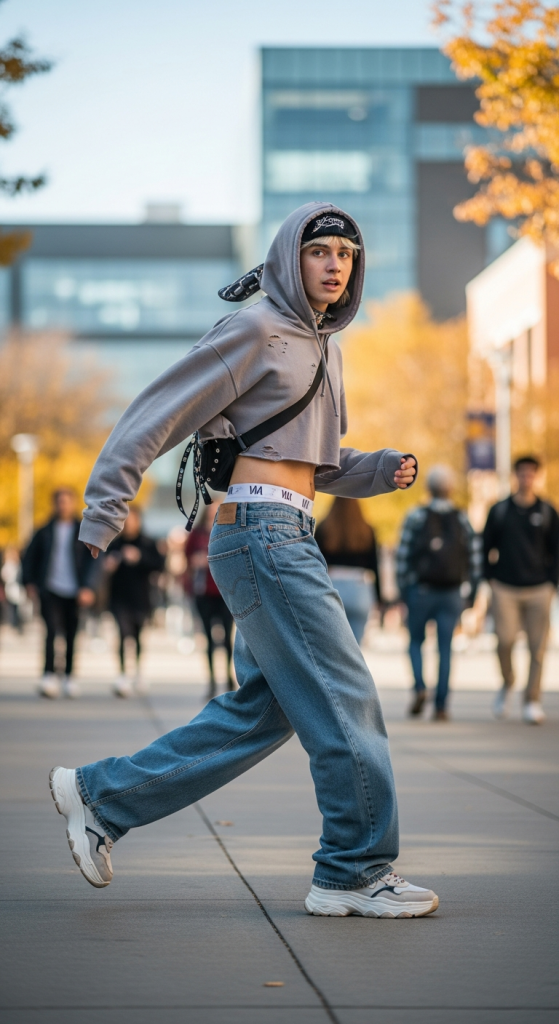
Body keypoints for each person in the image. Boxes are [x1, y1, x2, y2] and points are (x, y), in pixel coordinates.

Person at [49, 202, 440, 920]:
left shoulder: (325, 348)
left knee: (265, 711)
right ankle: (352, 869)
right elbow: (154, 413)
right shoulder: (256, 327)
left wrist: (377, 469)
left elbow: (310, 464)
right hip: (259, 534)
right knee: (345, 694)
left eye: (345, 257)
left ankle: (101, 798)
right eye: (319, 252)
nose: (333, 266)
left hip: (289, 529)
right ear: (290, 258)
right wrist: (104, 510)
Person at [397, 465, 481, 721]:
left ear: (428, 488)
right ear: (451, 489)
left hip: (421, 591)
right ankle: (442, 704)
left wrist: (404, 590)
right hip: (452, 592)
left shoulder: (416, 516)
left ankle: (420, 687)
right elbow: (475, 558)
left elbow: (402, 557)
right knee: (445, 648)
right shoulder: (462, 518)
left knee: (415, 642)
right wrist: (472, 592)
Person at [484, 455, 559, 725]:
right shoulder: (500, 510)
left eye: (531, 473)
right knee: (504, 641)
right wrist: (489, 578)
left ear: (536, 476)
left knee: (537, 648)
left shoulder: (548, 511)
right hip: (505, 587)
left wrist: (552, 583)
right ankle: (508, 683)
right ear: (515, 475)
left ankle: (532, 699)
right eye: (522, 473)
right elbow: (486, 546)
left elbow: (556, 549)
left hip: (539, 588)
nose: (526, 478)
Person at [21, 488, 98, 698]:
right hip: (50, 589)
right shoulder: (44, 531)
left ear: (72, 504)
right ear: (54, 504)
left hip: (75, 591)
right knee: (51, 632)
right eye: (60, 502)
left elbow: (94, 561)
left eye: (67, 502)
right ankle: (48, 675)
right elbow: (29, 558)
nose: (63, 506)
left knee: (72, 634)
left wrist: (88, 587)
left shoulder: (83, 531)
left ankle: (69, 677)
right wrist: (28, 582)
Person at [104, 505, 165, 698]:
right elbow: (103, 564)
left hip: (141, 598)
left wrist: (139, 558)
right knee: (123, 634)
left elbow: (159, 564)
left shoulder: (147, 543)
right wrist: (109, 565)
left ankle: (138, 671)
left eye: (132, 520)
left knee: (138, 636)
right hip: (119, 597)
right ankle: (122, 674)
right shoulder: (114, 543)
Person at [315, 497, 381, 644]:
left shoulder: (324, 528)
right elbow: (375, 566)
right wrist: (379, 597)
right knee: (355, 649)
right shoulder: (367, 530)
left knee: (332, 647)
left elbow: (315, 564)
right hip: (359, 588)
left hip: (331, 586)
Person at [184, 502, 235, 697]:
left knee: (227, 638)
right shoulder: (197, 534)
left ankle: (229, 679)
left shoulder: (229, 530)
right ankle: (212, 680)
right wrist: (194, 563)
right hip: (203, 592)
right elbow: (186, 559)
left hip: (225, 592)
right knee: (208, 638)